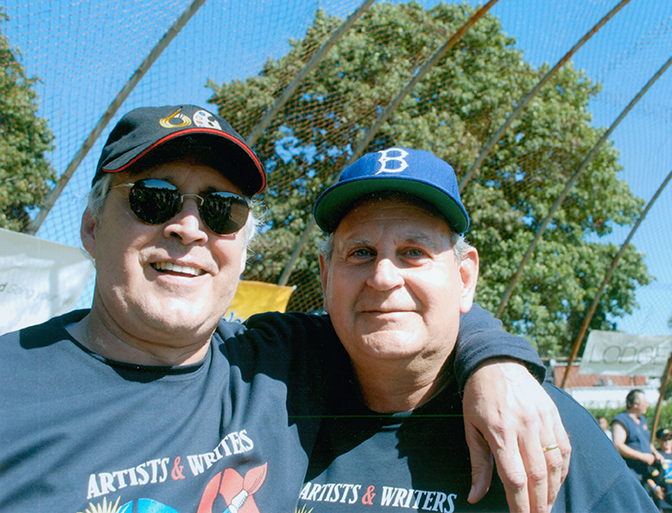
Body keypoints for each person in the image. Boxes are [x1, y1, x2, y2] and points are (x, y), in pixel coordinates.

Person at [0, 106, 569, 513]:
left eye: (223, 210)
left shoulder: (274, 362)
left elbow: (406, 314)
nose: (189, 228)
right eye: (155, 198)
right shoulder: (12, 387)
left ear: (242, 248)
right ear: (92, 226)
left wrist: (495, 362)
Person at [297, 147, 658, 512]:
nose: (383, 277)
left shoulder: (543, 424)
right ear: (327, 278)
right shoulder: (274, 403)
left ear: (465, 278)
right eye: (361, 252)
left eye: (413, 251)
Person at [612, 389, 662, 483]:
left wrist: (656, 453)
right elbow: (618, 445)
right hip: (631, 473)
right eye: (645, 402)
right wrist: (642, 456)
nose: (647, 405)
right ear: (635, 404)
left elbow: (647, 443)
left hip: (645, 472)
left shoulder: (642, 420)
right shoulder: (621, 420)